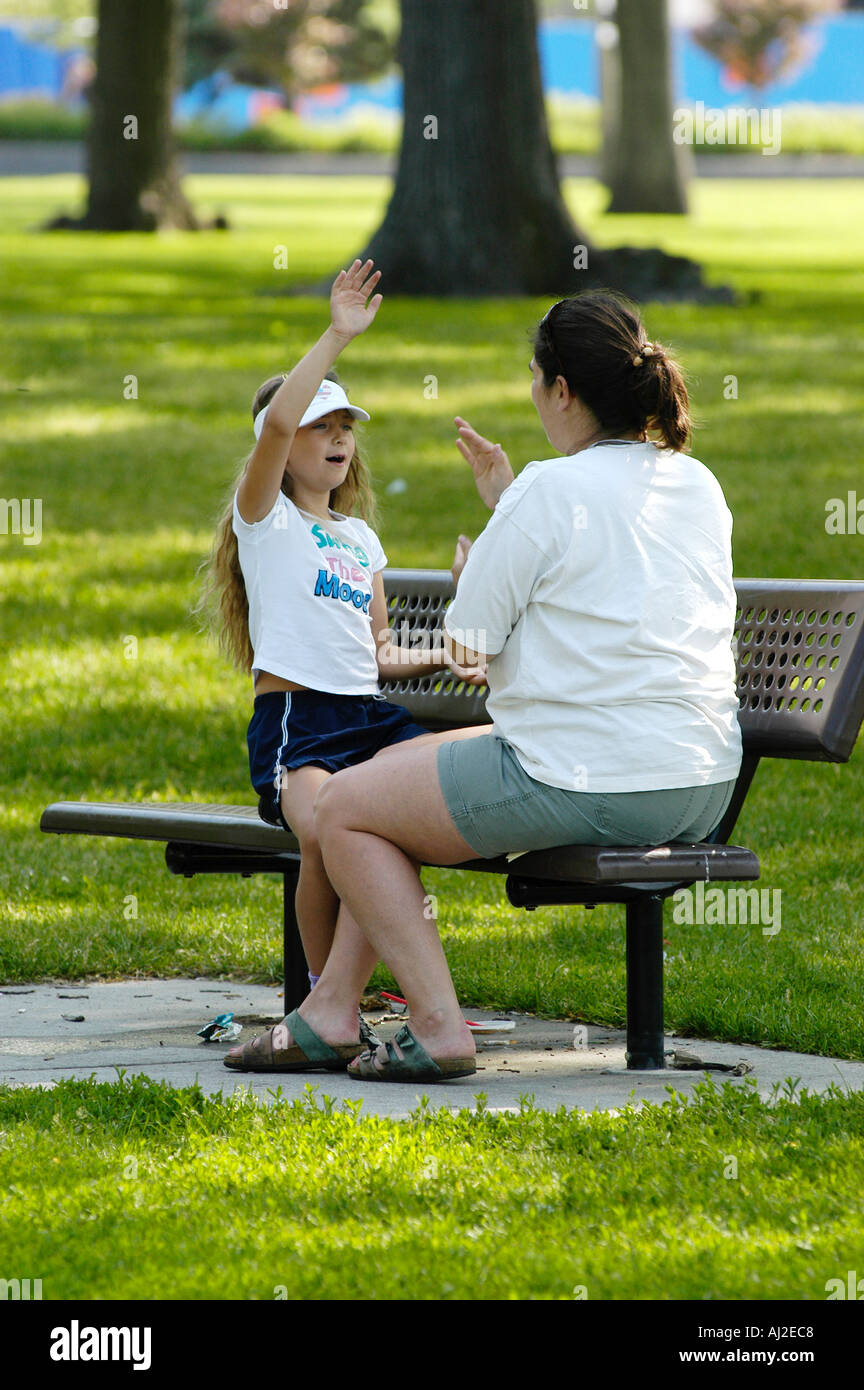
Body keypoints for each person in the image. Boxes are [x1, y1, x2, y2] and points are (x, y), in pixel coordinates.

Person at [226, 287, 743, 1083]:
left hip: (584, 775)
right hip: (702, 782)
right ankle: (335, 1007)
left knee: (349, 809)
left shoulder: (547, 488)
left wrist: (505, 524)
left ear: (561, 391)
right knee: (370, 795)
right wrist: (509, 512)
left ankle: (423, 1026)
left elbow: (472, 639)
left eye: (536, 379)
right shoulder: (696, 482)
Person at [198, 259, 487, 1055]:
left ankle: (332, 1008)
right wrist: (337, 334)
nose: (335, 438)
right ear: (280, 446)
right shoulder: (264, 518)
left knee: (402, 813)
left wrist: (445, 657)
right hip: (300, 725)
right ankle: (336, 1009)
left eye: (345, 427)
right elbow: (279, 423)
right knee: (328, 824)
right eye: (320, 426)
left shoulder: (360, 539)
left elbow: (379, 650)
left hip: (368, 716)